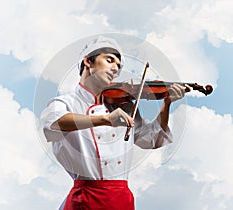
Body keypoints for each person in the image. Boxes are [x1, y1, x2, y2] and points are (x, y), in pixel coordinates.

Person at [41, 36, 187, 210]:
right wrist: (105, 119)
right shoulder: (65, 103)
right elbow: (54, 123)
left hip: (121, 199)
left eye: (119, 65)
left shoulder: (123, 106)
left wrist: (166, 104)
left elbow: (153, 139)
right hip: (86, 199)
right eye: (109, 60)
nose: (115, 68)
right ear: (88, 61)